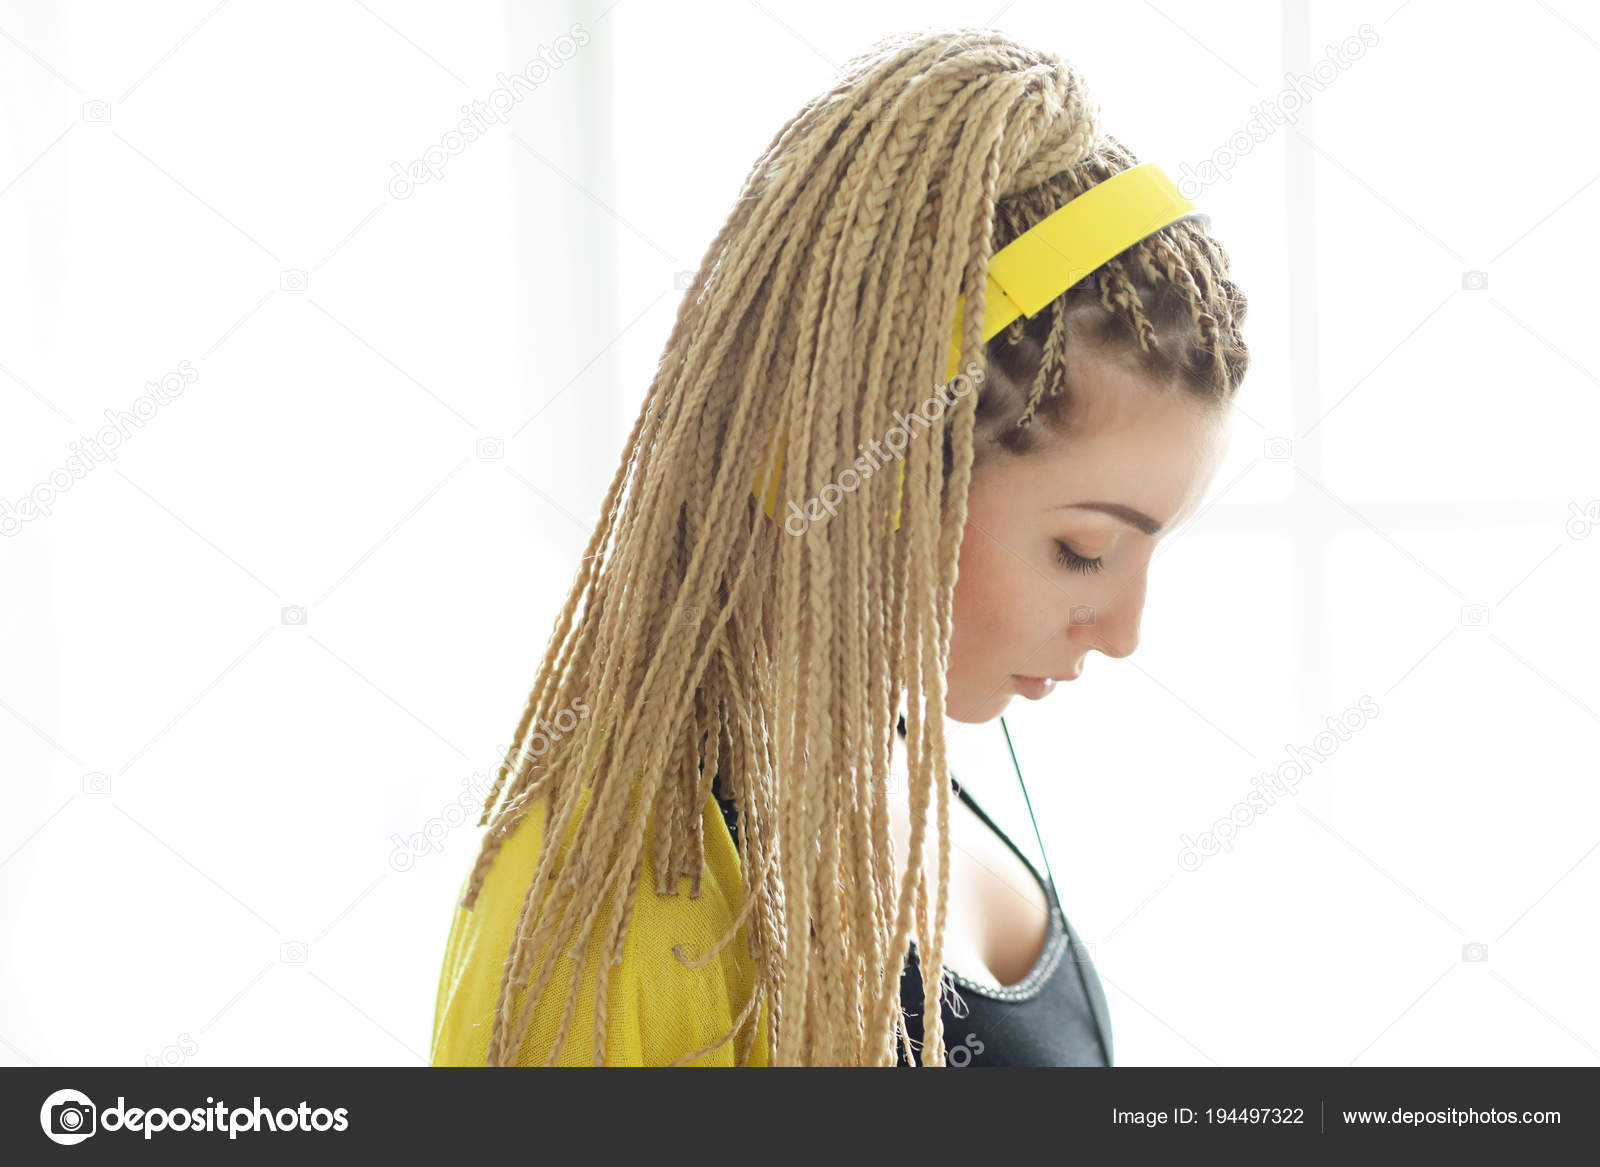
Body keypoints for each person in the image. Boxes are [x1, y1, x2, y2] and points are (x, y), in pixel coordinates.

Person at [429, 26, 1249, 1067]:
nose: (1124, 630)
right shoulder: (628, 885)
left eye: (1148, 552)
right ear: (882, 467)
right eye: (1083, 550)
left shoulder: (907, 763)